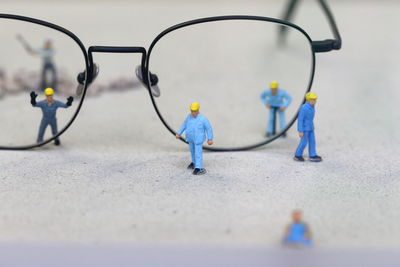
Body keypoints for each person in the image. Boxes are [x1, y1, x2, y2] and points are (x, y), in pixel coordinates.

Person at [176, 102, 213, 175]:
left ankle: (198, 167)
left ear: (198, 110)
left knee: (198, 153)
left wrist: (210, 138)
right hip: (190, 138)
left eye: (195, 111)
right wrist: (179, 133)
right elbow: (184, 124)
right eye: (192, 111)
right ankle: (194, 163)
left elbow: (208, 128)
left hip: (198, 139)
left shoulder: (203, 119)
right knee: (192, 151)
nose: (193, 112)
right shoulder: (188, 117)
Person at [294, 91, 322, 162]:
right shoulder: (304, 108)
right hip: (305, 129)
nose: (315, 101)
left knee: (312, 141)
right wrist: (300, 130)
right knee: (303, 142)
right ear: (308, 100)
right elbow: (300, 120)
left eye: (315, 99)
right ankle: (298, 155)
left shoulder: (312, 107)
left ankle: (312, 155)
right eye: (313, 99)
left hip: (311, 128)